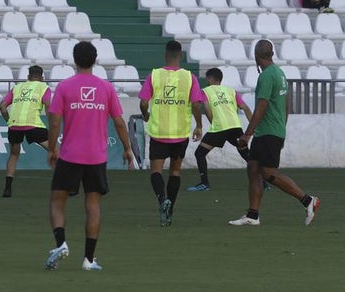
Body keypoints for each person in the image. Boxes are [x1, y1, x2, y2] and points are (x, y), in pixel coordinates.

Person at [45, 41, 134, 272]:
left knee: (57, 201)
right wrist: (127, 148)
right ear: (95, 61)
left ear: (74, 61)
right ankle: (89, 260)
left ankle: (61, 243)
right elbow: (119, 122)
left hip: (70, 155)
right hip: (96, 157)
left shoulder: (64, 87)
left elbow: (54, 121)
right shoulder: (105, 88)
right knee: (93, 206)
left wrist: (52, 147)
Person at [229, 40, 321, 227]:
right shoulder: (279, 73)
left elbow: (261, 106)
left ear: (256, 55)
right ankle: (253, 215)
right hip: (272, 130)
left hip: (268, 132)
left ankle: (307, 200)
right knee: (253, 169)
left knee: (268, 173)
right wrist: (282, 127)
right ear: (272, 53)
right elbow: (286, 103)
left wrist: (247, 134)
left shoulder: (266, 76)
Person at [138, 40, 205, 227]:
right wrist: (199, 125)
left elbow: (144, 102)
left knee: (156, 171)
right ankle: (170, 210)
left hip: (159, 132)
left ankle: (162, 201)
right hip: (180, 133)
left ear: (165, 55)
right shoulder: (190, 77)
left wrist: (145, 115)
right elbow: (196, 104)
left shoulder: (155, 75)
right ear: (181, 56)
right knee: (175, 171)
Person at [188, 67, 253, 192]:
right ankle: (263, 182)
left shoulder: (206, 91)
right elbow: (245, 108)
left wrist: (213, 123)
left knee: (199, 153)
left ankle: (204, 183)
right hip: (235, 126)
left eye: (208, 78)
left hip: (220, 128)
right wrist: (252, 127)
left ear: (210, 78)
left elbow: (207, 108)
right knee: (246, 154)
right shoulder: (231, 91)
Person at [0, 65, 52, 197]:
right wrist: (53, 126)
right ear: (42, 78)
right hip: (34, 125)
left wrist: (9, 122)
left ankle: (7, 189)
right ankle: (69, 186)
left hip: (15, 126)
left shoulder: (17, 87)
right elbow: (49, 108)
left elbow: (2, 106)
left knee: (14, 155)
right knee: (56, 151)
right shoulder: (44, 88)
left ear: (28, 77)